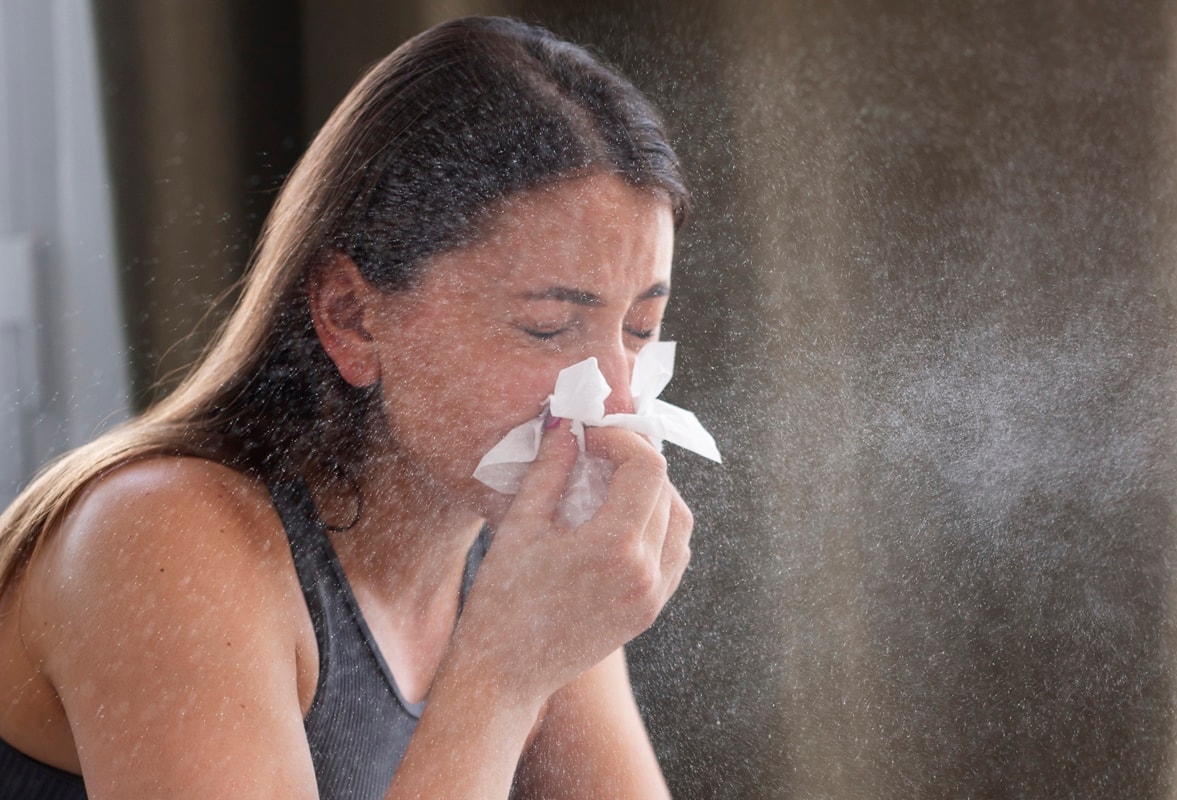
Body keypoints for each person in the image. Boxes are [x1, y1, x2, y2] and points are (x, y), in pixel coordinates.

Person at [0, 14, 695, 800]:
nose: (613, 396)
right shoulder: (160, 538)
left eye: (640, 329)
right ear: (352, 317)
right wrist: (502, 672)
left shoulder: (522, 559)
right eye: (548, 326)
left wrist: (526, 645)